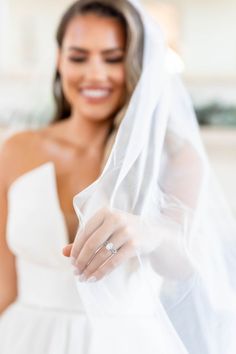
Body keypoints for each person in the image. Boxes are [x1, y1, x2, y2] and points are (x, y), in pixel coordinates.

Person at [0, 1, 236, 354]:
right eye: (78, 57)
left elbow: (184, 264)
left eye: (113, 58)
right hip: (24, 338)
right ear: (58, 59)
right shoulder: (15, 150)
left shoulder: (173, 156)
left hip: (127, 342)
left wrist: (148, 232)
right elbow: (5, 284)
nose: (95, 74)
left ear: (139, 66)